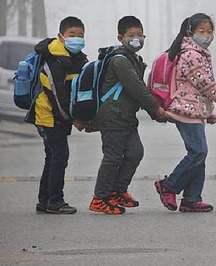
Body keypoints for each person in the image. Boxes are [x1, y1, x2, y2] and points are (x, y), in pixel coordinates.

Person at [154, 14, 216, 212]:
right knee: (198, 151)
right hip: (184, 110)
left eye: (209, 32)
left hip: (194, 110)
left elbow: (198, 89)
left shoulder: (200, 53)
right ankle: (168, 186)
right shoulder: (192, 54)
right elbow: (206, 84)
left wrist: (207, 112)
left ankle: (192, 198)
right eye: (201, 31)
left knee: (198, 156)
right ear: (190, 33)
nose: (206, 35)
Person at [88, 16, 166, 215]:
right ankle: (100, 198)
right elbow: (136, 88)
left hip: (126, 116)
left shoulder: (134, 59)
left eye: (140, 35)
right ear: (120, 37)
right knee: (112, 157)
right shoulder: (120, 60)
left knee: (135, 153)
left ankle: (117, 191)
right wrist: (155, 110)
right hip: (113, 115)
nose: (136, 39)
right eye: (131, 36)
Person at [27, 16, 88, 214]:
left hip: (58, 115)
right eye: (72, 35)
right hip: (48, 115)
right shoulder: (54, 59)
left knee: (52, 156)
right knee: (60, 155)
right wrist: (74, 119)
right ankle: (55, 201)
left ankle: (44, 200)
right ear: (61, 36)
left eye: (80, 35)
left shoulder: (77, 58)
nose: (77, 39)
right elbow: (58, 96)